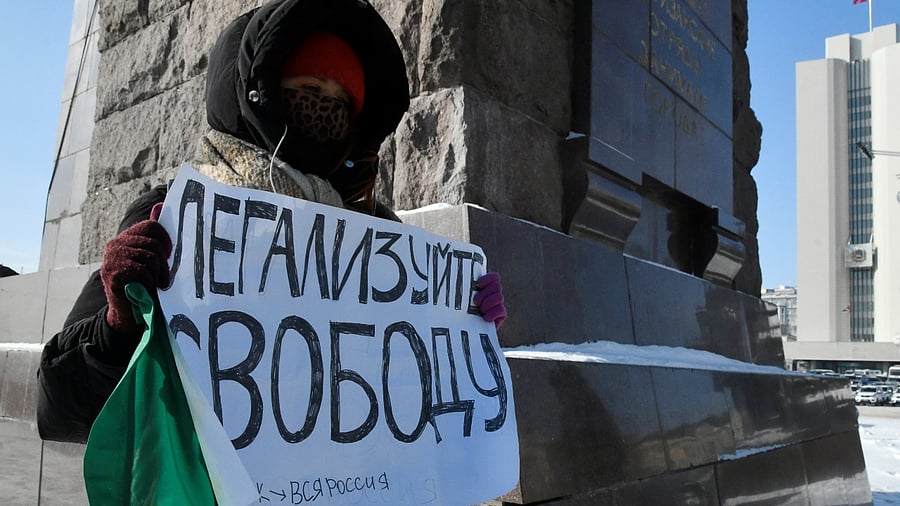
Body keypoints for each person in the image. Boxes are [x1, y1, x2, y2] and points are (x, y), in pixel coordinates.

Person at [36, 0, 506, 443]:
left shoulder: (375, 231)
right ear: (261, 96)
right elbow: (59, 408)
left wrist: (462, 321)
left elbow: (406, 383)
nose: (325, 109)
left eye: (342, 102)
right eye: (309, 91)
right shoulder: (175, 212)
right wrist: (120, 322)